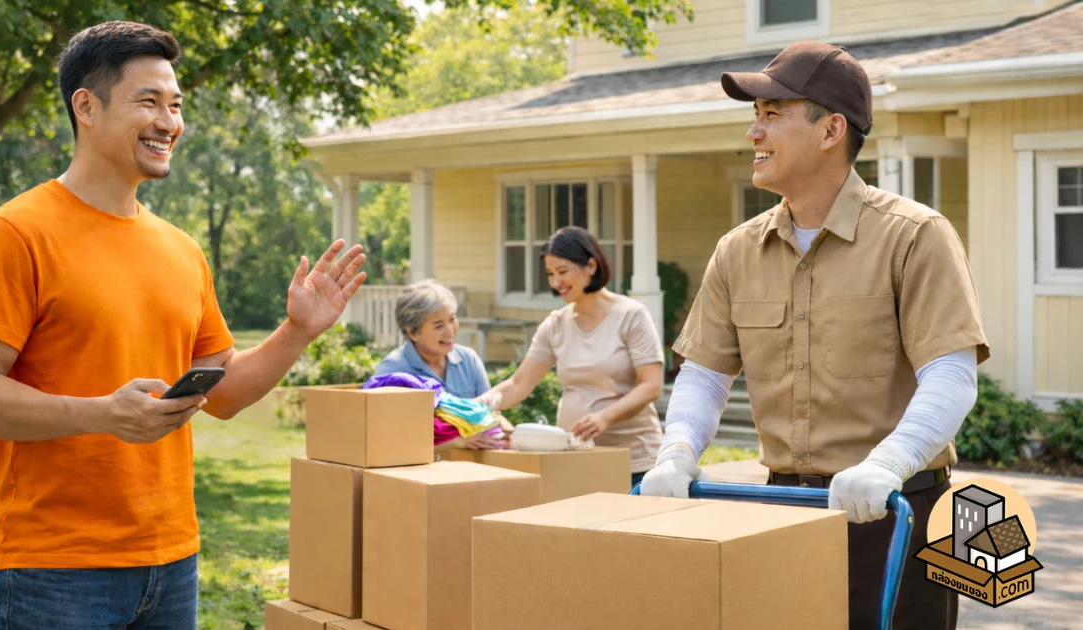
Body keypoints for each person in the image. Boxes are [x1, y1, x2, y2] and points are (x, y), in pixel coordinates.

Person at [0, 21, 366, 630]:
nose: (169, 122)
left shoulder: (181, 250)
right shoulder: (14, 233)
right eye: (148, 102)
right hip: (56, 570)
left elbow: (224, 393)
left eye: (176, 105)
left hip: (172, 562)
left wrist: (298, 330)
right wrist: (102, 414)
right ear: (86, 107)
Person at [639, 41, 987, 629]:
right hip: (781, 510)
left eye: (773, 114)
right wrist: (676, 453)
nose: (754, 132)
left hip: (897, 508)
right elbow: (704, 373)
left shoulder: (914, 236)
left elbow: (951, 375)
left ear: (831, 129)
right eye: (755, 115)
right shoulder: (736, 251)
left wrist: (888, 464)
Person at [479, 227, 665, 486]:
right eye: (550, 274)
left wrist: (604, 417)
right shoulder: (555, 324)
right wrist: (479, 405)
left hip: (635, 463)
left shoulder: (631, 315)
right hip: (576, 459)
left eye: (563, 271)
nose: (556, 283)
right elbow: (519, 384)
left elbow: (651, 386)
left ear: (591, 266)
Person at [374, 280, 512, 454]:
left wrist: (513, 436)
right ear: (412, 332)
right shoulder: (392, 372)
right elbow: (385, 440)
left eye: (452, 320)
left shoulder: (468, 359)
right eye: (438, 326)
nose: (450, 331)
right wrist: (455, 442)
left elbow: (491, 415)